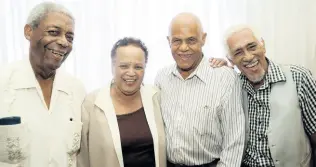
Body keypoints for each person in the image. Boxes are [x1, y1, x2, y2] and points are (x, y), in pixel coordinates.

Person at [210, 24, 316, 167]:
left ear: (263, 46)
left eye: (252, 47)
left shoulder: (299, 77)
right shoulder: (232, 86)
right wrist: (222, 71)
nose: (248, 56)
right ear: (231, 60)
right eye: (238, 53)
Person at [0, 2, 86, 167]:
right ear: (28, 31)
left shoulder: (76, 89)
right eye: (53, 32)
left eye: (70, 37)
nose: (63, 42)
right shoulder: (3, 83)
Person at [154, 13, 245, 167]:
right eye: (177, 41)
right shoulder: (161, 77)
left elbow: (234, 142)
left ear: (203, 39)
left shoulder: (225, 78)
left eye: (191, 40)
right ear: (168, 41)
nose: (184, 48)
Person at [77, 37, 166, 167]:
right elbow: (82, 158)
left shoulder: (155, 97)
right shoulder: (91, 104)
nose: (131, 73)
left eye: (138, 67)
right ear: (112, 66)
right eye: (124, 66)